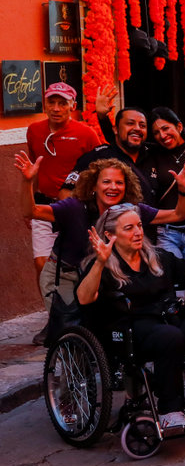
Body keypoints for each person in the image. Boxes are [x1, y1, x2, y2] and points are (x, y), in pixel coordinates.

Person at [77, 204, 185, 430]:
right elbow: (85, 298)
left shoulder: (157, 257)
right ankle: (169, 411)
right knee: (169, 336)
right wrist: (100, 261)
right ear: (110, 234)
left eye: (139, 225)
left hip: (168, 321)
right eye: (128, 228)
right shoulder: (101, 264)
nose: (137, 232)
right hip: (130, 331)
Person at [17, 155, 185, 313]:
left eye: (119, 182)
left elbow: (178, 214)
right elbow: (31, 212)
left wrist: (183, 189)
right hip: (66, 275)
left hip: (100, 275)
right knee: (73, 327)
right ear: (94, 185)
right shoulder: (74, 207)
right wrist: (27, 181)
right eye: (106, 182)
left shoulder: (130, 211)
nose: (113, 187)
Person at [27, 83, 99, 307]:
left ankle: (78, 310)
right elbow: (32, 169)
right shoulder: (34, 130)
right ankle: (52, 317)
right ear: (45, 105)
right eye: (52, 102)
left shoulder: (86, 133)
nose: (56, 108)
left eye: (62, 103)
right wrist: (29, 204)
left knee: (73, 264)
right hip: (44, 206)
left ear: (73, 106)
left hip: (75, 209)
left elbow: (98, 167)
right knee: (41, 263)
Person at [147, 107, 185, 265]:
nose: (162, 135)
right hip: (167, 234)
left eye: (165, 128)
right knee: (173, 285)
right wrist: (102, 117)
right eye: (156, 132)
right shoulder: (153, 154)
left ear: (179, 127)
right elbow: (122, 143)